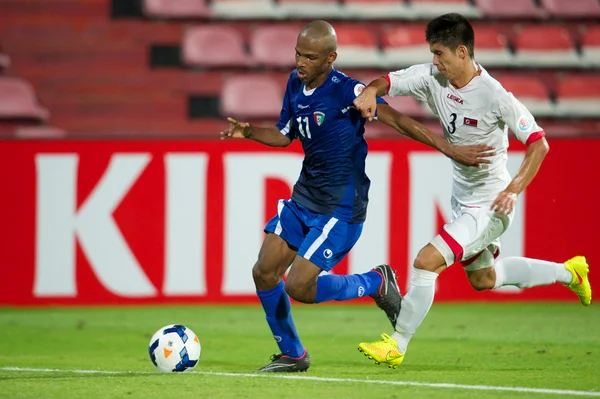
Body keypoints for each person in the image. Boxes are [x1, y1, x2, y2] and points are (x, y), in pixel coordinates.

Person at [221, 19, 495, 373]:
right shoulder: (294, 83)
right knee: (263, 272)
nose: (300, 63)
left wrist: (449, 148)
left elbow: (398, 120)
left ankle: (375, 282)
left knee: (299, 286)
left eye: (309, 57)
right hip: (304, 197)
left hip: (340, 206)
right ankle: (292, 353)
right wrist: (250, 132)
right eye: (297, 54)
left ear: (330, 57)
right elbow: (284, 134)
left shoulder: (347, 91)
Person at [352, 13, 592, 369]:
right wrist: (371, 89)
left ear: (461, 52)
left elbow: (539, 144)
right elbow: (386, 82)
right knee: (485, 278)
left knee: (425, 261)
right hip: (462, 200)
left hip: (492, 204)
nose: (435, 61)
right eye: (432, 53)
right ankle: (569, 272)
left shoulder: (495, 95)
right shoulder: (431, 76)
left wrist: (513, 188)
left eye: (440, 54)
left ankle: (396, 344)